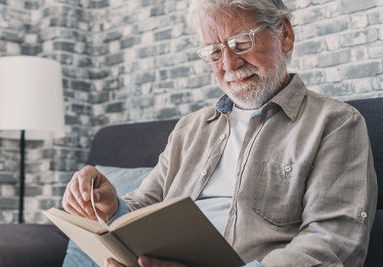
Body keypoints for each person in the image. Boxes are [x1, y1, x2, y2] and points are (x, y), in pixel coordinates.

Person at [61, 0, 377, 266]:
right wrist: (109, 205)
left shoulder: (335, 123)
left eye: (241, 42)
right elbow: (145, 206)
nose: (229, 62)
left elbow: (335, 241)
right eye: (214, 51)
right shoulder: (190, 129)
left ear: (285, 34)